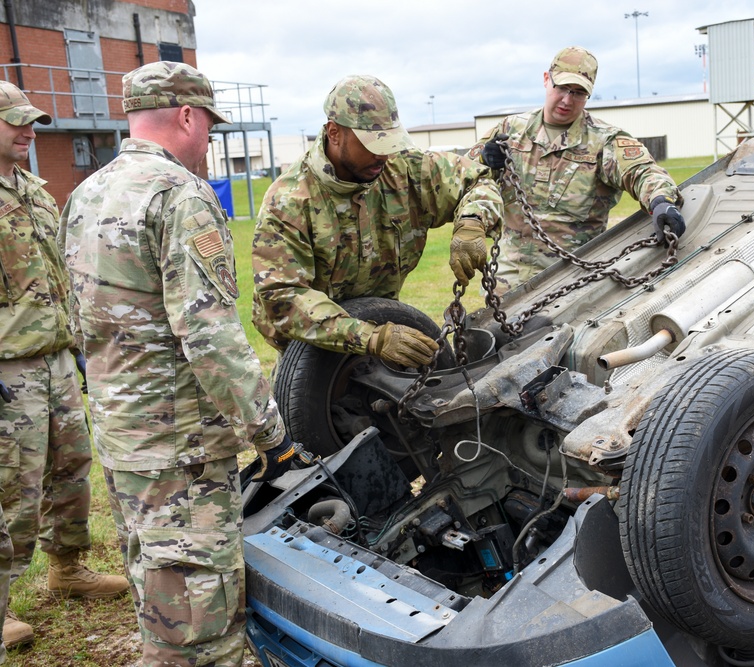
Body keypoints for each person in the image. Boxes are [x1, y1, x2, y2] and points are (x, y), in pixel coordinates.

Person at [60, 62, 300, 666]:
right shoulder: (180, 196)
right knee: (203, 625)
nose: (211, 140)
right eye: (210, 127)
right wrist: (272, 436)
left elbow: (77, 315)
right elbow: (210, 335)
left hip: (122, 435)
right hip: (180, 446)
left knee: (159, 596)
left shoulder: (86, 192)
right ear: (188, 115)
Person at [0, 80, 130, 654]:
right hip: (8, 367)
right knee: (13, 487)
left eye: (30, 121)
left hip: (53, 355)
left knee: (72, 466)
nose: (29, 130)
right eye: (17, 121)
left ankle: (67, 566)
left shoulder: (30, 187)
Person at [252, 74, 502, 366]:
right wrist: (369, 338)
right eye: (373, 143)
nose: (384, 154)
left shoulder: (404, 170)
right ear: (334, 133)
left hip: (384, 327)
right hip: (313, 353)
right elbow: (281, 297)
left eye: (390, 141)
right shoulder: (290, 201)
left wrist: (472, 222)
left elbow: (475, 179)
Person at [470, 46, 686, 294]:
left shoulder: (603, 141)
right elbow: (464, 176)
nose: (567, 100)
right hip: (507, 278)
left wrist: (660, 200)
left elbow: (643, 172)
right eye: (561, 88)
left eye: (578, 93)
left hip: (571, 282)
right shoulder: (510, 129)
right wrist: (485, 161)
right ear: (545, 80)